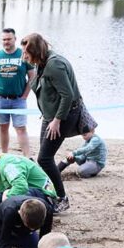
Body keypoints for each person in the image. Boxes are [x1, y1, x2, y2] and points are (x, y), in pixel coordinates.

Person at [22, 33, 94, 214]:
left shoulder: (55, 64)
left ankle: (62, 198)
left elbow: (68, 95)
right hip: (50, 116)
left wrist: (57, 120)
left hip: (63, 116)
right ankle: (50, 194)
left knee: (44, 158)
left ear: (35, 50)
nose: (24, 56)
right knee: (45, 158)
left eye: (26, 53)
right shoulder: (42, 62)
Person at [0, 27, 35, 155]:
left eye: (9, 39)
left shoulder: (23, 54)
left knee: (21, 128)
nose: (6, 42)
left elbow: (33, 76)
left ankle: (27, 157)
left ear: (15, 39)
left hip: (18, 99)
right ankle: (4, 154)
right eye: (4, 39)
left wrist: (25, 95)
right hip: (0, 99)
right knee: (3, 127)